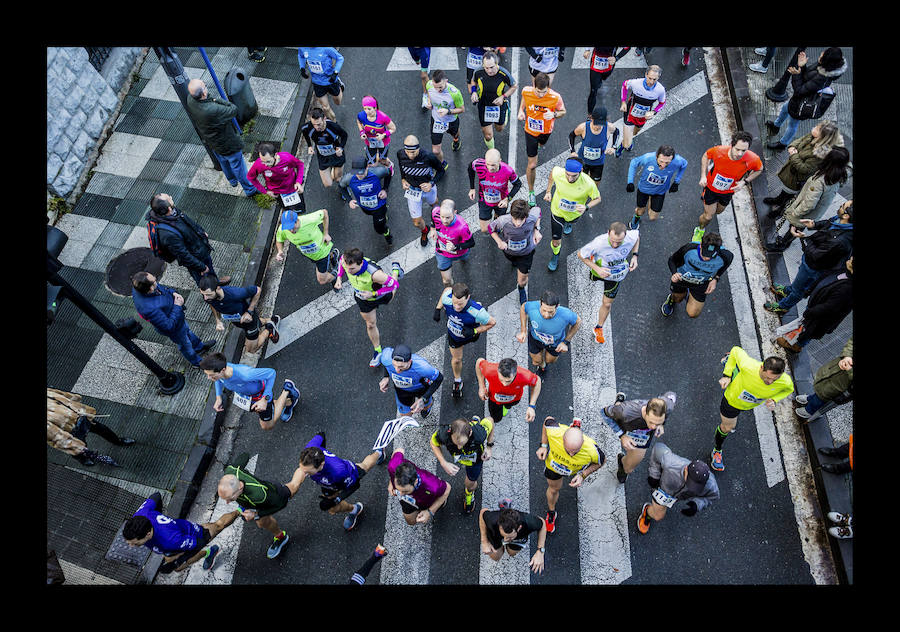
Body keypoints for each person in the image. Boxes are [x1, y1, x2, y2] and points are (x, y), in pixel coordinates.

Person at [711, 348, 794, 472]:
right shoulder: (749, 365)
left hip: (748, 404)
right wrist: (726, 375)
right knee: (727, 428)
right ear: (761, 368)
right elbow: (735, 350)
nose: (770, 382)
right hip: (732, 402)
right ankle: (717, 451)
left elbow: (789, 389)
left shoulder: (785, 381)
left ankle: (732, 365)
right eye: (767, 377)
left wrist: (775, 399)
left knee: (740, 374)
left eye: (774, 379)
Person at [765, 199, 853, 313]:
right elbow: (829, 223)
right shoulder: (841, 221)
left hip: (814, 267)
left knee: (799, 290)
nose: (840, 206)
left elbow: (816, 255)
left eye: (842, 206)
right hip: (811, 262)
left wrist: (802, 238)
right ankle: (788, 290)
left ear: (846, 216)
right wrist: (814, 224)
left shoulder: (841, 242)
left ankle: (783, 306)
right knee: (799, 282)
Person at [124, 492, 241, 572]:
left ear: (148, 534)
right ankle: (209, 553)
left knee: (218, 525)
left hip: (192, 534)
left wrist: (177, 561)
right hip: (171, 542)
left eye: (135, 543)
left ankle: (240, 511)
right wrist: (158, 515)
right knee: (179, 568)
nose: (130, 545)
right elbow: (156, 496)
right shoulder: (140, 515)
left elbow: (200, 542)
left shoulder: (171, 539)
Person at [217, 452, 305, 559]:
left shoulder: (259, 495)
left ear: (240, 487)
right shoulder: (230, 471)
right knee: (261, 522)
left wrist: (255, 514)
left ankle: (307, 467)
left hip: (275, 495)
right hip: (258, 496)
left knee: (293, 486)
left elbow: (280, 504)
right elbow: (244, 455)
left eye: (230, 499)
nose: (227, 502)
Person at [764, 148, 851, 252]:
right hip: (816, 211)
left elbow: (809, 204)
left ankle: (783, 244)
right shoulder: (840, 174)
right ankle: (786, 241)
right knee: (797, 227)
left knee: (796, 227)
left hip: (805, 213)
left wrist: (795, 213)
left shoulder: (820, 181)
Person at [297, 432, 386, 531]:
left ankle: (379, 452)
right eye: (302, 469)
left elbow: (355, 485)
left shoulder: (339, 472)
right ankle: (355, 509)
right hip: (327, 482)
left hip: (348, 474)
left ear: (321, 465)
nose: (302, 473)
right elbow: (321, 435)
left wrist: (337, 499)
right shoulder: (309, 450)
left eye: (307, 472)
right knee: (332, 508)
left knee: (365, 466)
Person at [185, 79, 257, 197]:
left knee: (223, 161)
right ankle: (250, 189)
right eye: (205, 86)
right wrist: (215, 99)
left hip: (212, 141)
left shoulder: (190, 100)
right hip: (227, 142)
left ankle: (232, 180)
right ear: (203, 94)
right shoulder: (213, 109)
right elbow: (233, 109)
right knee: (238, 165)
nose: (206, 87)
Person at [766, 48, 847, 151]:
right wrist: (803, 66)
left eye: (823, 54)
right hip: (798, 99)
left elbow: (799, 90)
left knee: (792, 124)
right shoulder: (823, 67)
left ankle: (782, 144)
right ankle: (776, 125)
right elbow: (807, 77)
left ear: (827, 61)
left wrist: (796, 74)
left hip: (803, 104)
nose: (821, 53)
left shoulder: (822, 78)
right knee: (785, 108)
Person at [334, 248, 403, 367]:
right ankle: (378, 351)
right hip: (363, 299)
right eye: (347, 268)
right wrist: (339, 277)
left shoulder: (375, 275)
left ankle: (396, 270)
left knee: (393, 292)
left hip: (379, 294)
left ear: (361, 263)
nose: (349, 271)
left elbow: (393, 285)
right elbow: (341, 262)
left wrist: (373, 294)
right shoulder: (345, 261)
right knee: (370, 324)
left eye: (352, 269)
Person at [536, 416, 605, 534]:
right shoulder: (555, 432)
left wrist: (583, 475)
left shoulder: (592, 450)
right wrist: (543, 445)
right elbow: (547, 420)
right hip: (554, 468)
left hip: (573, 470)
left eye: (576, 451)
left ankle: (575, 427)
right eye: (568, 450)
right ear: (562, 439)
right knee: (553, 489)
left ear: (583, 442)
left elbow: (601, 462)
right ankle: (551, 512)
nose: (571, 454)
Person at [131, 271, 215, 368]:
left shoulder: (141, 288)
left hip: (178, 320)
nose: (156, 279)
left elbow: (163, 289)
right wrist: (177, 306)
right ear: (150, 288)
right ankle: (197, 363)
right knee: (185, 345)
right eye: (154, 281)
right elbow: (168, 326)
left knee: (188, 332)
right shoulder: (149, 309)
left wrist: (173, 292)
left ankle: (199, 347)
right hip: (175, 329)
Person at [147, 193, 231, 287]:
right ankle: (211, 294)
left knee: (209, 269)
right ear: (169, 208)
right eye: (169, 198)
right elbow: (183, 255)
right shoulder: (168, 234)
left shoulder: (170, 213)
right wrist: (201, 267)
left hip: (198, 248)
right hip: (196, 257)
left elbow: (188, 221)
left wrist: (201, 231)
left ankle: (215, 282)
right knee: (203, 278)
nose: (171, 197)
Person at [200, 351, 300, 431]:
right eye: (208, 375)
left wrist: (264, 399)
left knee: (267, 426)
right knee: (262, 412)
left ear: (222, 370)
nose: (209, 378)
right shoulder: (220, 373)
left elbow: (271, 373)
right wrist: (218, 397)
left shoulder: (245, 374)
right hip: (248, 397)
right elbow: (219, 380)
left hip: (261, 396)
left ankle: (287, 390)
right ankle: (288, 403)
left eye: (211, 375)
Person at [693, 131, 763, 243]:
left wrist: (745, 181)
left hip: (728, 192)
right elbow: (706, 156)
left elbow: (759, 169)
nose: (740, 153)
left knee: (719, 211)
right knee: (708, 217)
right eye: (737, 149)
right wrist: (703, 176)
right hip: (711, 189)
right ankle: (699, 230)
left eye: (744, 150)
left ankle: (709, 209)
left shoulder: (752, 159)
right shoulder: (719, 151)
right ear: (732, 145)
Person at [761, 120, 844, 215]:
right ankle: (777, 200)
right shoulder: (813, 136)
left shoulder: (819, 155)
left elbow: (804, 169)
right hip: (790, 171)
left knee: (788, 196)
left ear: (822, 137)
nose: (814, 127)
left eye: (817, 128)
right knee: (785, 192)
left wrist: (793, 155)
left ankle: (780, 210)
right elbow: (800, 140)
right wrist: (792, 146)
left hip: (796, 179)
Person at [576, 222, 639, 344]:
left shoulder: (630, 237)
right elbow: (581, 254)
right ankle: (594, 272)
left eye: (619, 242)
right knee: (591, 279)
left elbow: (637, 237)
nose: (615, 245)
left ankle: (598, 328)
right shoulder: (599, 242)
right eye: (613, 241)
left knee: (607, 304)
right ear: (608, 233)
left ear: (625, 236)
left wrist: (635, 256)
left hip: (616, 276)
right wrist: (597, 269)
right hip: (599, 271)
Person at [776, 256, 853, 354]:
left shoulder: (847, 289)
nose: (851, 257)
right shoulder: (844, 269)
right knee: (807, 326)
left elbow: (829, 308)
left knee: (809, 330)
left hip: (820, 316)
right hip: (816, 306)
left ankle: (796, 345)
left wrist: (810, 312)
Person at [433, 282, 496, 398]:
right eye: (455, 303)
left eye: (460, 304)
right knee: (457, 359)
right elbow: (446, 289)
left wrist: (474, 331)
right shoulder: (447, 299)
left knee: (477, 317)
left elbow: (492, 322)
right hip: (454, 336)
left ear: (468, 297)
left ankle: (474, 307)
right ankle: (457, 380)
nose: (457, 307)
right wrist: (438, 308)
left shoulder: (477, 312)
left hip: (471, 334)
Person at [637, 444, 718, 534]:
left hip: (676, 497)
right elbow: (658, 448)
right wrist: (654, 475)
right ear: (686, 469)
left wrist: (697, 505)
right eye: (690, 481)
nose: (690, 486)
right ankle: (648, 512)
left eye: (697, 485)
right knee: (658, 516)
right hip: (662, 490)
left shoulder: (711, 484)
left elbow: (712, 497)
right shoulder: (671, 463)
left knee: (660, 513)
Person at [601, 391, 676, 484]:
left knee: (628, 469)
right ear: (645, 411)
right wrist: (622, 435)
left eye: (657, 423)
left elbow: (671, 394)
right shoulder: (626, 411)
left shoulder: (667, 406)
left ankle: (622, 463)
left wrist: (662, 424)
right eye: (651, 422)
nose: (653, 427)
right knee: (617, 411)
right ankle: (618, 403)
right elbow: (604, 413)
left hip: (643, 437)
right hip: (626, 426)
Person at [47, 388, 134, 467]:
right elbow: (55, 437)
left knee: (102, 429)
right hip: (70, 431)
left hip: (81, 418)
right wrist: (75, 446)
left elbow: (61, 395)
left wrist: (75, 402)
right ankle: (83, 459)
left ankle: (117, 441)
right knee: (78, 449)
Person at [544, 158, 602, 271]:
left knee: (570, 222)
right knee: (556, 241)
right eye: (567, 175)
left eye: (574, 176)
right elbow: (552, 174)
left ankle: (568, 224)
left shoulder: (588, 183)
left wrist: (586, 207)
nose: (570, 178)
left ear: (580, 171)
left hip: (574, 214)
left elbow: (598, 198)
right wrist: (548, 191)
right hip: (557, 211)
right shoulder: (558, 172)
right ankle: (555, 255)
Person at [199, 275, 279, 355]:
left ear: (218, 288)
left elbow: (257, 290)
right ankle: (269, 320)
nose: (205, 298)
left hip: (250, 323)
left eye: (208, 294)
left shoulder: (235, 293)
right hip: (238, 322)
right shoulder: (209, 297)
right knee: (258, 322)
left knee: (251, 350)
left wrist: (249, 312)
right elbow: (212, 305)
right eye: (203, 294)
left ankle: (269, 329)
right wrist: (218, 320)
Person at [519, 72, 566, 207]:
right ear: (534, 86)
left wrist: (555, 114)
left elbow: (563, 111)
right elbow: (524, 100)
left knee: (541, 143)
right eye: (538, 92)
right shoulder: (527, 91)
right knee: (532, 164)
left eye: (544, 92)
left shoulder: (555, 97)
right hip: (530, 131)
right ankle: (531, 191)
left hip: (546, 131)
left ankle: (540, 144)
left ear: (548, 88)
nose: (540, 95)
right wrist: (521, 111)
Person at [431, 415, 496, 514]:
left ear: (470, 433)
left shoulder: (479, 433)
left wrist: (489, 447)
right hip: (463, 457)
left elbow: (491, 420)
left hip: (475, 461)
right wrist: (443, 462)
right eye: (456, 443)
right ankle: (474, 421)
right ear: (450, 432)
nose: (459, 447)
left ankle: (469, 492)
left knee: (470, 483)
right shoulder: (444, 434)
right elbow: (433, 443)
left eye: (462, 443)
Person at [661, 231, 733, 318]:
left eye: (711, 256)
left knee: (693, 313)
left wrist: (716, 279)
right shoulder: (689, 249)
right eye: (705, 254)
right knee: (678, 299)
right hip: (682, 279)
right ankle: (671, 299)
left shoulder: (725, 255)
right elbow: (672, 260)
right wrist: (674, 273)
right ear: (701, 245)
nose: (707, 258)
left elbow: (726, 263)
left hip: (701, 283)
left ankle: (691, 296)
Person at [487, 198, 542, 304]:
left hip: (526, 253)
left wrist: (537, 229)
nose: (518, 223)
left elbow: (538, 210)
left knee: (522, 280)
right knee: (514, 262)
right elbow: (490, 228)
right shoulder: (503, 220)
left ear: (526, 216)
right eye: (515, 219)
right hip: (509, 252)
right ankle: (514, 263)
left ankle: (521, 288)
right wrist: (499, 241)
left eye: (521, 219)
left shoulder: (532, 217)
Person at [516, 289, 581, 376]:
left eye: (550, 312)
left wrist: (566, 342)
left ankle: (545, 363)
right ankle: (542, 366)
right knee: (536, 361)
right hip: (535, 339)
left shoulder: (565, 314)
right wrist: (523, 331)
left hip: (555, 344)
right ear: (540, 304)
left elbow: (578, 321)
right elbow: (523, 307)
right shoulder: (532, 307)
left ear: (557, 306)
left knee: (550, 360)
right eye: (544, 310)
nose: (546, 315)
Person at [397, 135, 446, 246]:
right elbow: (401, 167)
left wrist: (431, 183)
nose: (410, 155)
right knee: (417, 222)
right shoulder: (400, 154)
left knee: (434, 204)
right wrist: (403, 179)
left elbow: (441, 171)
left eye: (413, 152)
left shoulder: (428, 156)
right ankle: (425, 230)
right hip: (413, 191)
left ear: (419, 148)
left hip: (429, 189)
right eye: (408, 152)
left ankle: (437, 220)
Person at [274, 209, 341, 289]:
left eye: (292, 227)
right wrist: (280, 251)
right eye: (288, 228)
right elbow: (279, 240)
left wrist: (326, 233)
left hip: (322, 254)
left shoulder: (309, 220)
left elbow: (324, 213)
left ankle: (337, 273)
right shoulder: (283, 229)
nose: (291, 230)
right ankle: (333, 255)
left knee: (322, 280)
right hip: (309, 254)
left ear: (297, 220)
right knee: (322, 261)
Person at [625, 145, 688, 230]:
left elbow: (684, 164)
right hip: (644, 189)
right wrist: (630, 182)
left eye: (667, 163)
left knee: (653, 217)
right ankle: (636, 218)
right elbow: (634, 162)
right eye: (661, 161)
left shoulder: (677, 160)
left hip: (660, 191)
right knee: (640, 211)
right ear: (656, 156)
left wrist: (677, 181)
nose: (663, 165)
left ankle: (651, 199)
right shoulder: (648, 158)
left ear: (672, 159)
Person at [387, 446, 451, 525]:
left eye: (405, 491)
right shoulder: (392, 466)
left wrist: (430, 512)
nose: (400, 494)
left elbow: (447, 488)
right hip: (408, 501)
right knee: (411, 522)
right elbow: (399, 450)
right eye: (398, 489)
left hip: (427, 499)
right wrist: (391, 482)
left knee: (440, 501)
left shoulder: (432, 485)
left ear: (416, 482)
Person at [794, 337, 852, 420]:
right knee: (821, 387)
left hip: (844, 384)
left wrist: (850, 370)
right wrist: (847, 355)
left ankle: (810, 410)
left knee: (824, 396)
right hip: (836, 368)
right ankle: (810, 399)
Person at [340, 157, 394, 244]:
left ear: (367, 168)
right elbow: (341, 187)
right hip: (364, 207)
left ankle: (386, 232)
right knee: (369, 213)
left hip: (379, 205)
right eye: (357, 173)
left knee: (379, 229)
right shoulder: (349, 178)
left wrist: (385, 189)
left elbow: (389, 173)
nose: (359, 176)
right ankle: (383, 216)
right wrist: (349, 200)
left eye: (362, 173)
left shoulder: (377, 172)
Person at [379, 343, 443, 416]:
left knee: (426, 406)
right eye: (394, 365)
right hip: (402, 390)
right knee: (405, 415)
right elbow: (385, 364)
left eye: (401, 367)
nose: (397, 370)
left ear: (409, 361)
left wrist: (424, 398)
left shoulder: (423, 368)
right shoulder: (386, 357)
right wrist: (386, 377)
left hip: (421, 389)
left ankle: (428, 406)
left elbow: (439, 378)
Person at [479, 504, 547, 574]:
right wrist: (484, 541)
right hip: (496, 534)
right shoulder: (492, 519)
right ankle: (505, 509)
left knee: (511, 553)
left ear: (519, 528)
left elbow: (542, 524)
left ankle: (506, 509)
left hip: (518, 538)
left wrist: (540, 551)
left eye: (509, 537)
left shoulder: (529, 522)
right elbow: (483, 512)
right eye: (504, 535)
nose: (505, 540)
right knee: (496, 557)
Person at [468, 148, 522, 233]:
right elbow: (470, 168)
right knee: (484, 229)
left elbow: (518, 184)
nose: (490, 168)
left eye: (493, 165)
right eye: (488, 164)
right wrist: (472, 188)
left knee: (497, 223)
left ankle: (496, 218)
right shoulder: (479, 164)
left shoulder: (508, 170)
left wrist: (507, 199)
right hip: (484, 200)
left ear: (500, 161)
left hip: (501, 202)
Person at [470, 51, 517, 149]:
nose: (489, 71)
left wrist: (503, 96)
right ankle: (492, 151)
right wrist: (474, 92)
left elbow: (514, 86)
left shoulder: (503, 73)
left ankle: (506, 110)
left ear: (497, 64)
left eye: (491, 67)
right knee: (488, 136)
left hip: (498, 105)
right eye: (486, 68)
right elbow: (473, 81)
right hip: (483, 104)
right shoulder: (478, 71)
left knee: (499, 129)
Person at [617, 66, 666, 156]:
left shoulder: (660, 90)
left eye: (654, 79)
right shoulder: (636, 83)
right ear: (646, 74)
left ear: (658, 78)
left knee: (635, 133)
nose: (651, 82)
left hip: (643, 117)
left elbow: (662, 103)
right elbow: (625, 85)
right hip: (630, 115)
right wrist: (623, 101)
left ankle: (626, 140)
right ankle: (623, 145)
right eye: (649, 78)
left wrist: (653, 112)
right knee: (627, 144)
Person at [475, 356, 542, 422]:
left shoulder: (524, 376)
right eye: (501, 380)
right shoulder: (490, 370)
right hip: (494, 399)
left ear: (515, 374)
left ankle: (506, 407)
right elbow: (479, 362)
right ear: (498, 371)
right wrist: (481, 387)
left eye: (508, 381)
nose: (504, 384)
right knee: (496, 418)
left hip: (514, 399)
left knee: (508, 406)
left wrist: (531, 406)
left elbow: (537, 381)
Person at [247, 142, 305, 212]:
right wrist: (265, 191)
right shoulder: (259, 164)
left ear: (275, 155)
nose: (265, 165)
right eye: (263, 161)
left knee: (300, 209)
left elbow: (300, 165)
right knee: (287, 210)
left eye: (268, 161)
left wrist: (298, 181)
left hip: (293, 189)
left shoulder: (287, 158)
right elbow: (250, 177)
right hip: (278, 194)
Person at [300, 107, 349, 191]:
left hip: (336, 154)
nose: (316, 127)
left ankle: (344, 190)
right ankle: (333, 169)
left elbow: (344, 135)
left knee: (338, 179)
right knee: (328, 184)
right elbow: (304, 132)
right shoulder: (307, 127)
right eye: (314, 124)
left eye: (319, 124)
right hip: (323, 156)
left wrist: (341, 147)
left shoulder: (333, 127)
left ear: (324, 119)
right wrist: (309, 146)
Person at [430, 198, 476, 288]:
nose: (444, 221)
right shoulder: (436, 212)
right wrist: (433, 228)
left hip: (460, 252)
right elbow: (433, 215)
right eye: (442, 217)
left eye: (448, 217)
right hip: (442, 253)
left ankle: (464, 259)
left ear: (455, 212)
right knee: (446, 281)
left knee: (465, 259)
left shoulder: (462, 227)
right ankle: (450, 293)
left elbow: (471, 243)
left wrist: (455, 247)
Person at [568, 106, 618, 187]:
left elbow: (617, 132)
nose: (597, 126)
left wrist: (614, 147)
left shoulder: (609, 127)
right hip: (583, 161)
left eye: (600, 123)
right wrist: (572, 151)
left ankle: (592, 195)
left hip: (598, 162)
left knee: (596, 183)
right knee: (580, 181)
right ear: (592, 118)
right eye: (596, 123)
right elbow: (571, 136)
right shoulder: (583, 127)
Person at [425, 69, 465, 167]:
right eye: (435, 87)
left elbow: (462, 109)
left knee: (455, 134)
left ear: (446, 81)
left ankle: (456, 139)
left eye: (440, 87)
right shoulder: (429, 85)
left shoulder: (455, 93)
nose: (438, 90)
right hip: (436, 121)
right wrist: (430, 103)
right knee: (435, 150)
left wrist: (448, 111)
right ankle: (442, 163)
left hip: (451, 121)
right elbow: (429, 94)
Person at [297, 47, 345, 121]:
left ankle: (339, 85)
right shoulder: (303, 48)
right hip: (317, 82)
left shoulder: (326, 48)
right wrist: (302, 68)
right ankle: (334, 123)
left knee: (337, 102)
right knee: (325, 107)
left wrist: (335, 73)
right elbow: (300, 56)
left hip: (330, 80)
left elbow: (340, 58)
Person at [583, 46, 631, 114]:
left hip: (609, 66)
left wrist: (616, 58)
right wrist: (587, 50)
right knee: (593, 91)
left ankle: (600, 80)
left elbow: (627, 48)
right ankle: (590, 114)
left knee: (603, 78)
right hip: (595, 66)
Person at [356, 95, 396, 163]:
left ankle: (390, 165)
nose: (367, 112)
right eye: (365, 108)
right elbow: (358, 122)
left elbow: (393, 128)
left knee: (382, 160)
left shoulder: (383, 117)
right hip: (370, 142)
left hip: (383, 142)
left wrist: (383, 135)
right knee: (371, 162)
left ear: (375, 108)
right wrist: (362, 132)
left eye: (369, 109)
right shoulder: (361, 115)